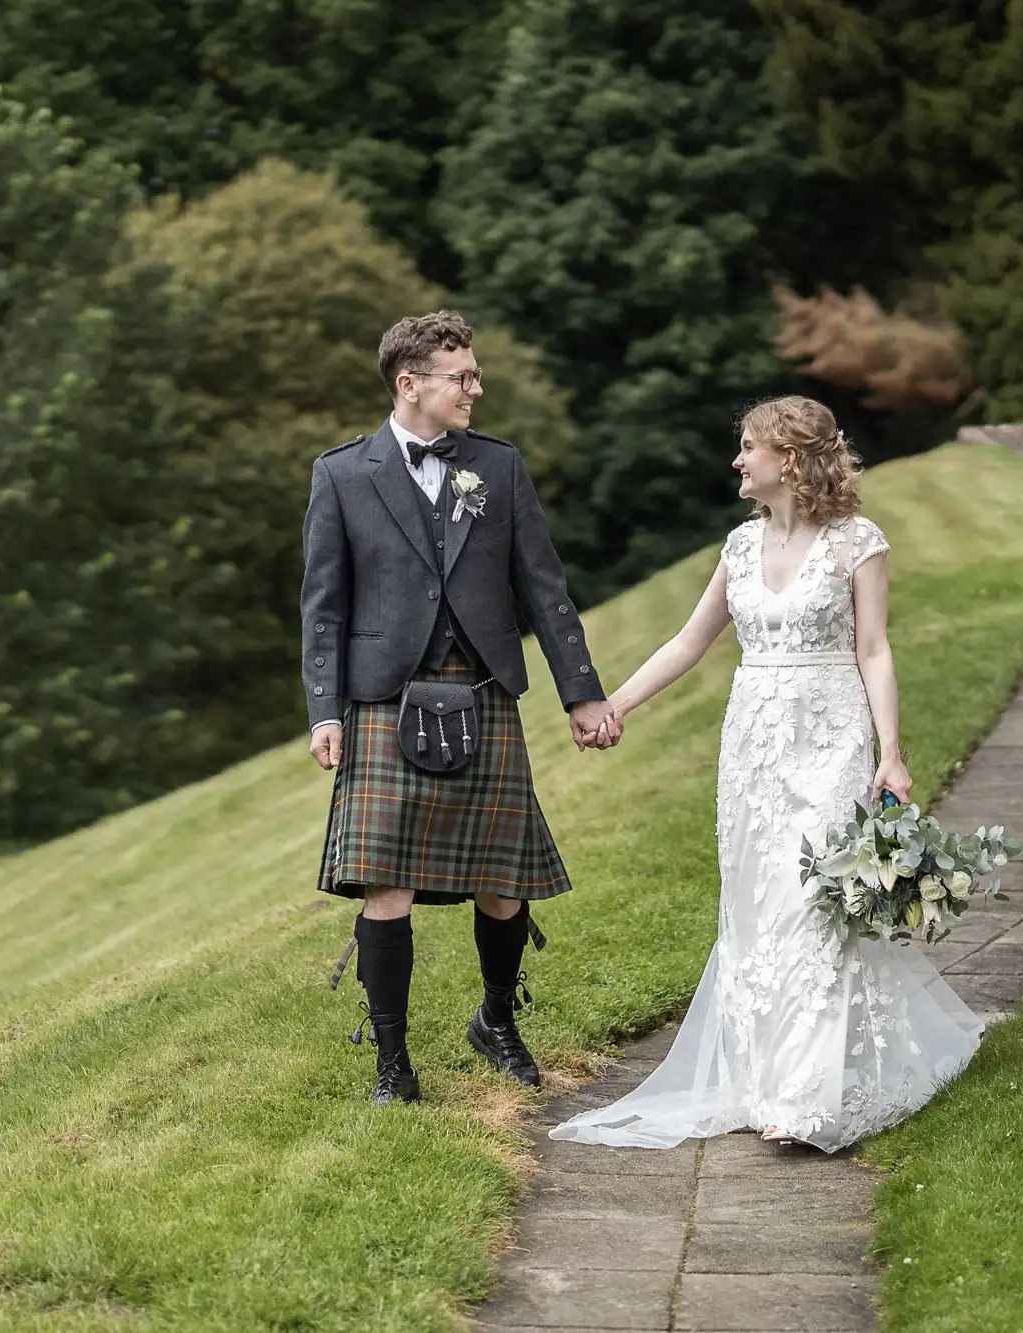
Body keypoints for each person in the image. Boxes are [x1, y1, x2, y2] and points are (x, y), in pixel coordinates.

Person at [554, 395, 982, 1150]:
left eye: (747, 446)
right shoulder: (738, 547)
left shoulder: (858, 542)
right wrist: (614, 703)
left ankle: (804, 1096)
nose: (736, 460)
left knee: (813, 901)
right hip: (754, 745)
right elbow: (689, 643)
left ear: (788, 458)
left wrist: (891, 751)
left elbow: (875, 648)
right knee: (758, 903)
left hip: (830, 734)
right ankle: (762, 1078)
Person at [301, 310, 623, 1106]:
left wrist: (580, 692)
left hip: (482, 691)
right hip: (384, 695)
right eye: (463, 376)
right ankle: (392, 1062)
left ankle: (497, 1020)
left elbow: (546, 592)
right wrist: (323, 709)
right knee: (387, 885)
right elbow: (323, 608)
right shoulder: (342, 473)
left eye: (475, 375)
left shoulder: (499, 468)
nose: (477, 387)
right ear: (410, 384)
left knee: (502, 881)